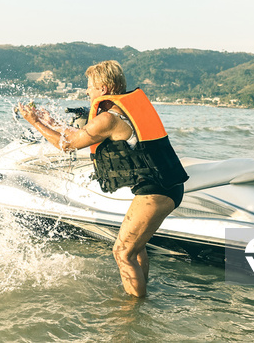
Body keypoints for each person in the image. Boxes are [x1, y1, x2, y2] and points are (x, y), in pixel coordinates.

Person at [17, 60, 188, 297]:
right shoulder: (120, 113)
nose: (87, 91)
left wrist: (34, 122)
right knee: (136, 249)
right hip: (166, 185)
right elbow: (78, 135)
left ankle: (133, 312)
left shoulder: (109, 119)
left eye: (90, 86)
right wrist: (49, 121)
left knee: (122, 252)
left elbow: (65, 144)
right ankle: (141, 294)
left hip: (156, 190)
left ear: (103, 89)